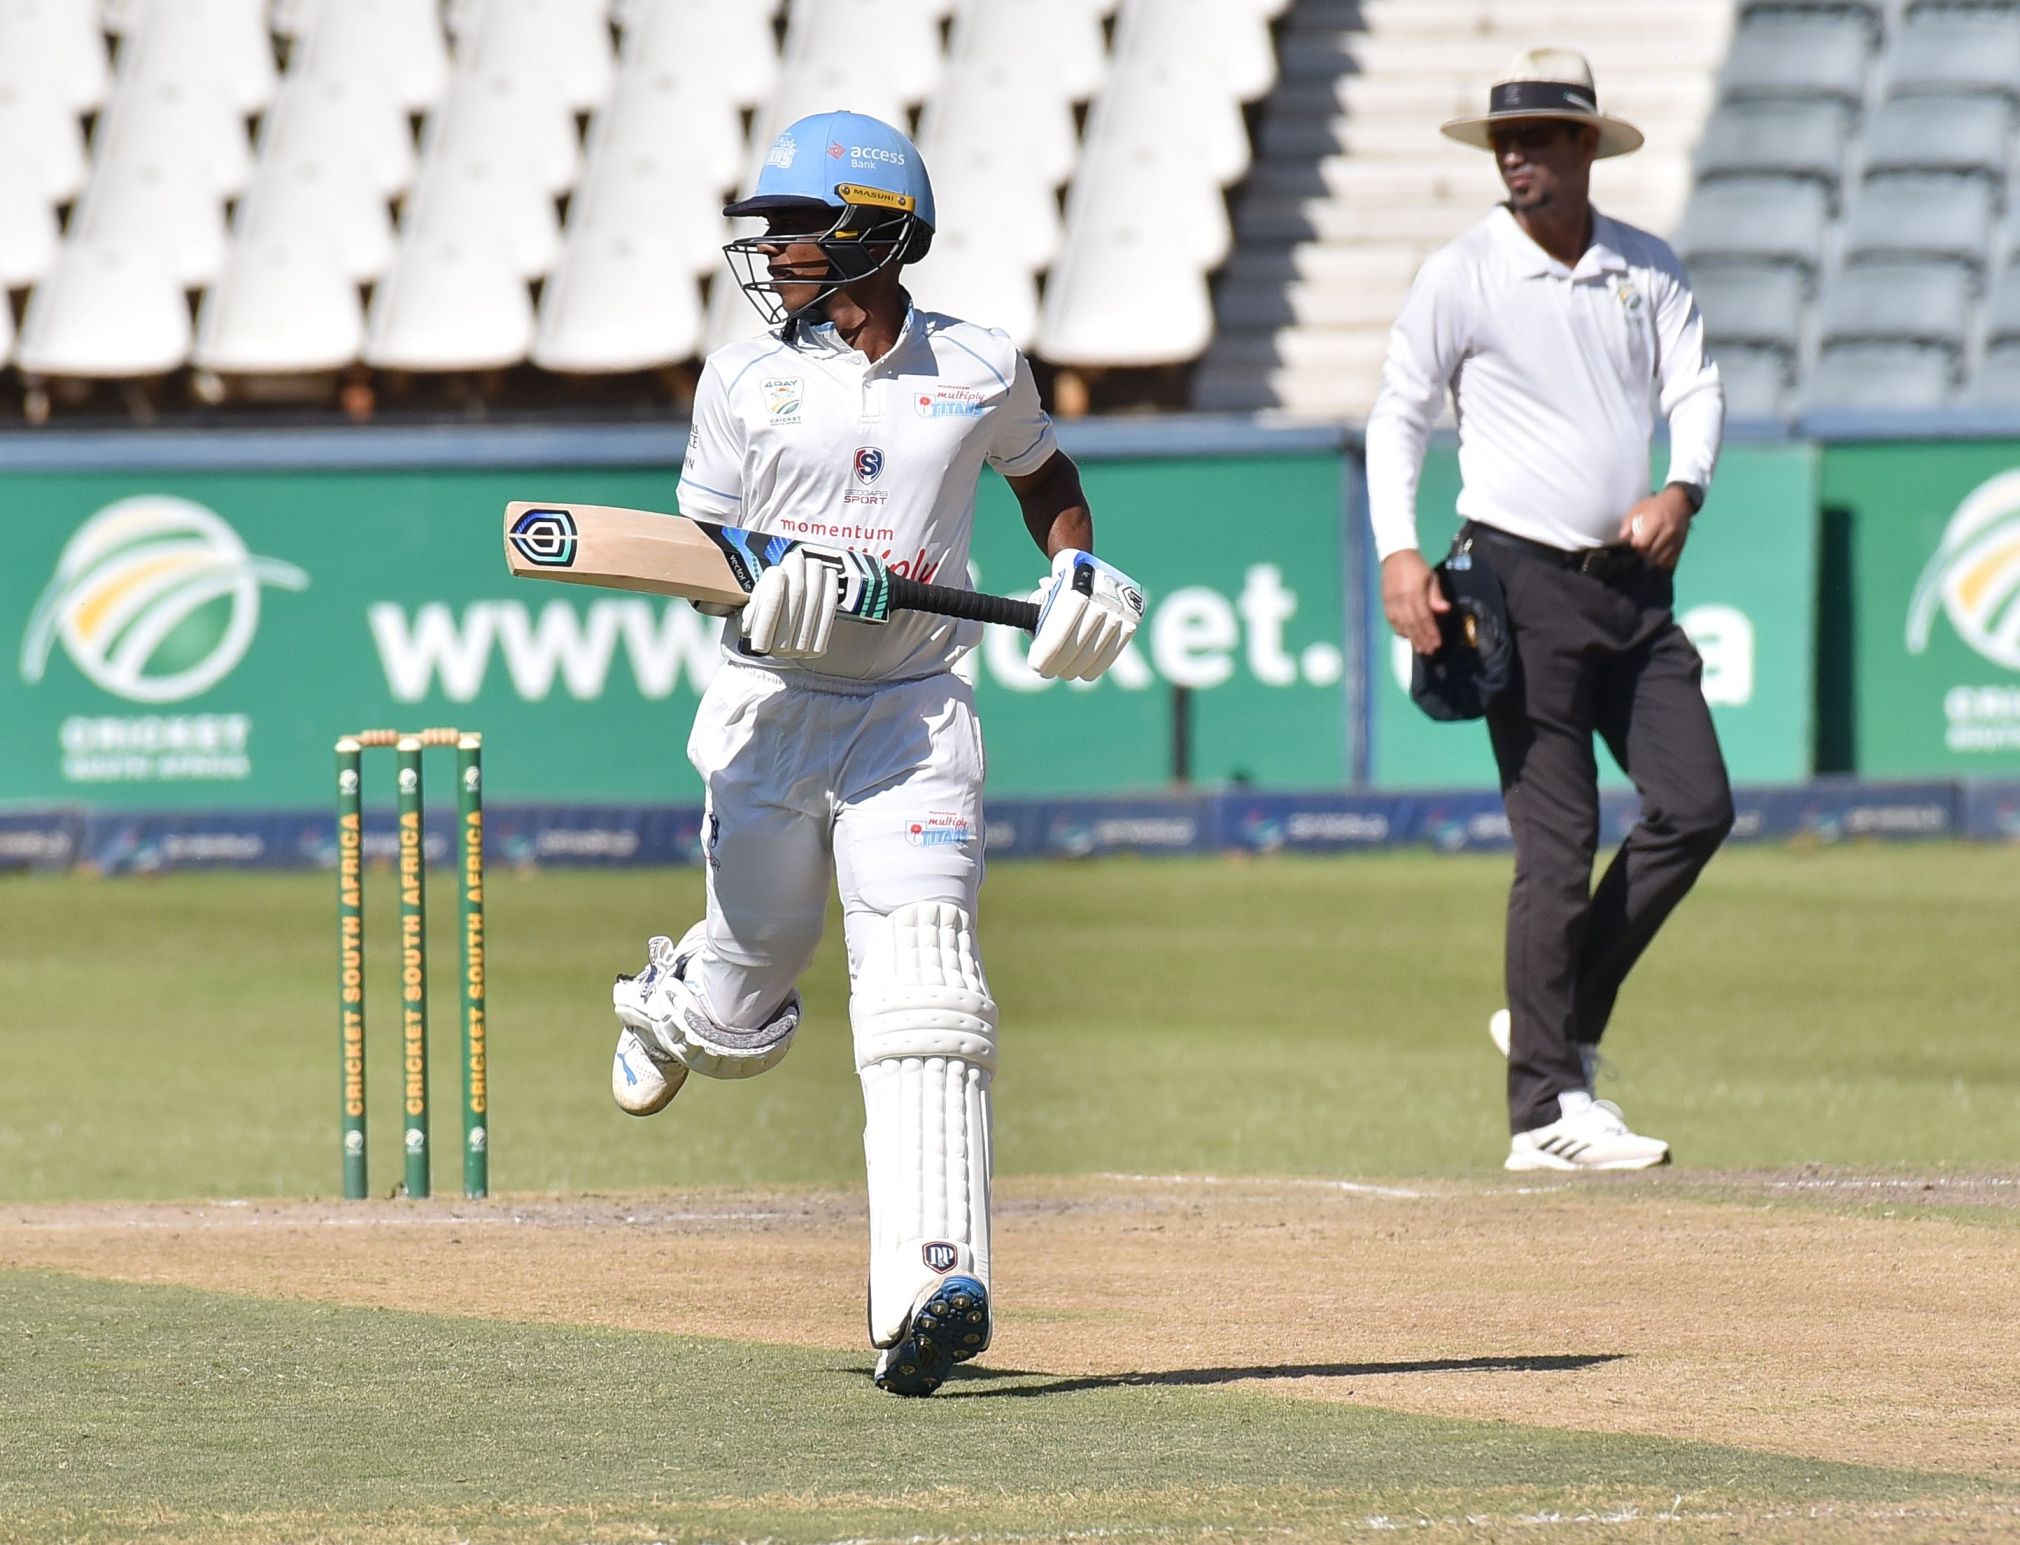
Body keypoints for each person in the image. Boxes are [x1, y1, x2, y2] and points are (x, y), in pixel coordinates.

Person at [605, 110, 1144, 1395]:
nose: (773, 251)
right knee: (753, 969)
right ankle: (678, 1004)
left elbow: (1043, 477)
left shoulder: (980, 365)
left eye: (796, 228)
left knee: (928, 981)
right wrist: (765, 583)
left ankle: (929, 1283)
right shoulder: (742, 379)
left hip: (912, 716)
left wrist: (1072, 566)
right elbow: (694, 552)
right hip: (770, 709)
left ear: (874, 232)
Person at [1365, 50, 1732, 1172]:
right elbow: (1399, 413)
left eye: (1535, 138)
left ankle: (1555, 1020)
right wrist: (1397, 550)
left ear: (1585, 146)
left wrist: (1684, 489)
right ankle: (1541, 1111)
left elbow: (1696, 387)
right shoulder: (1461, 272)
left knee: (1695, 806)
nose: (1515, 157)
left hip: (1631, 585)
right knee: (1557, 843)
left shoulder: (1644, 265)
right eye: (1503, 141)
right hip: (1516, 582)